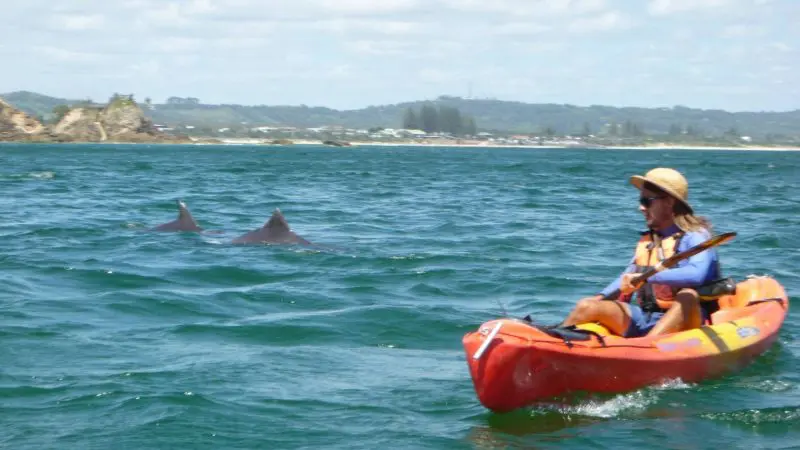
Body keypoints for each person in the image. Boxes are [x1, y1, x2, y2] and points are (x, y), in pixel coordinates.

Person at [559, 167, 722, 338]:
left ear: (669, 202)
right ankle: (553, 343)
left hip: (688, 320)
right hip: (647, 317)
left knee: (687, 296)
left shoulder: (696, 237)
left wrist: (646, 278)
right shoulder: (651, 240)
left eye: (647, 201)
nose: (641, 208)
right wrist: (600, 297)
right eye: (641, 201)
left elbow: (697, 274)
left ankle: (649, 347)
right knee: (587, 305)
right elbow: (628, 276)